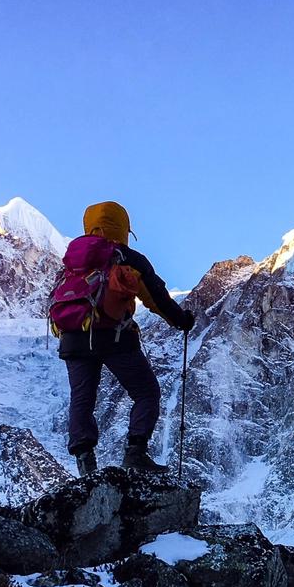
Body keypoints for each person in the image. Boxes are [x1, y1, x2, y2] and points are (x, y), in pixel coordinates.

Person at [51, 201, 195, 476]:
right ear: (123, 226)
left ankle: (85, 461)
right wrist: (181, 321)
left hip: (74, 337)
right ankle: (136, 453)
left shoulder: (73, 262)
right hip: (114, 337)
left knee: (81, 399)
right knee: (146, 392)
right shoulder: (127, 257)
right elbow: (157, 298)